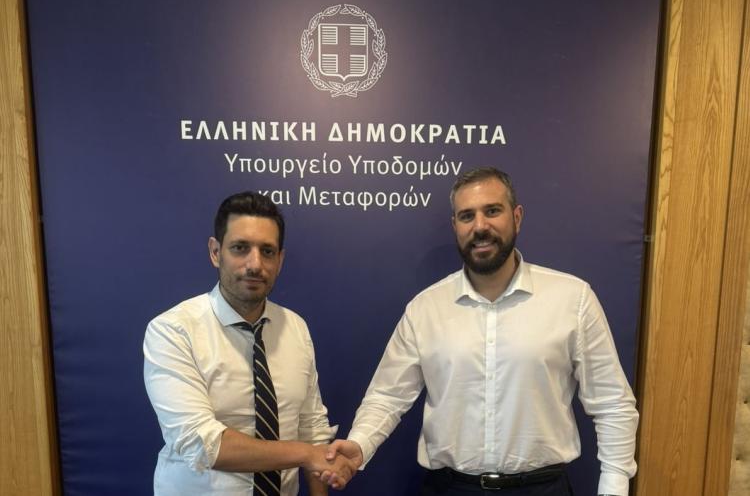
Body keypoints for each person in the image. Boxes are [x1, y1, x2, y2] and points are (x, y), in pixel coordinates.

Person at [324, 167, 638, 495]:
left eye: (492, 211)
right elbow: (388, 396)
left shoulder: (572, 299)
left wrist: (614, 488)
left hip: (543, 489)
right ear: (455, 226)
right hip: (450, 489)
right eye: (467, 216)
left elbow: (612, 404)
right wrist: (360, 444)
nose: (480, 226)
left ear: (517, 217)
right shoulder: (425, 308)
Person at [144, 191, 356, 496]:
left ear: (280, 260)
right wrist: (305, 454)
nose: (255, 264)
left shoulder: (295, 328)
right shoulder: (173, 330)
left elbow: (312, 428)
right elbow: (202, 443)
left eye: (267, 251)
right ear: (215, 252)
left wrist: (316, 460)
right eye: (240, 248)